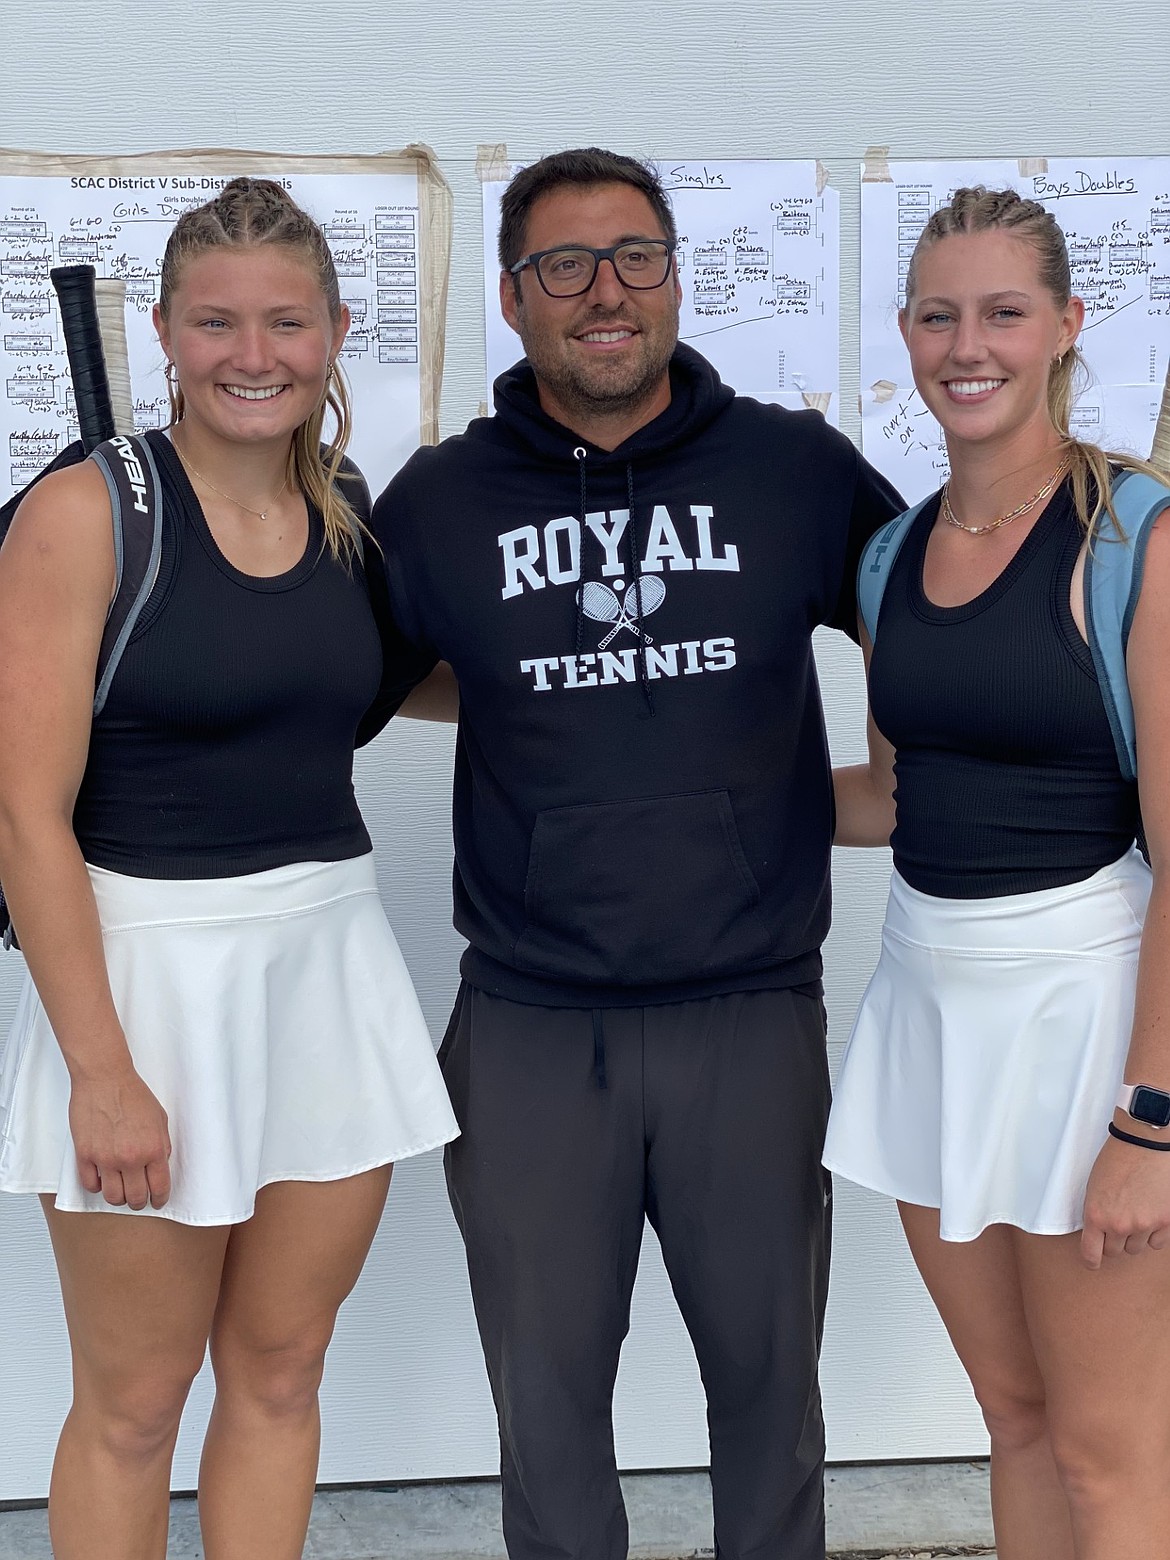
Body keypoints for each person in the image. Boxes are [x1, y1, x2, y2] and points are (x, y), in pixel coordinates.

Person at [371, 147, 902, 1560]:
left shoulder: (790, 469)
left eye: (634, 258)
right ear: (513, 298)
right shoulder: (437, 501)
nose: (603, 292)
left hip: (750, 1011)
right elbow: (325, 685)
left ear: (673, 277)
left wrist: (861, 793)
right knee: (543, 1415)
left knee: (770, 1396)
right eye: (563, 266)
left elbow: (941, 626)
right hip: (535, 1023)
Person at [0, 177, 458, 1560]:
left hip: (327, 969)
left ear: (330, 333)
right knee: (135, 1408)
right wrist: (103, 1069)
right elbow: (27, 819)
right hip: (143, 982)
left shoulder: (348, 515)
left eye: (284, 323)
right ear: (161, 332)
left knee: (278, 1377)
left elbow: (412, 683)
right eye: (216, 324)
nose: (251, 356)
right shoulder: (88, 514)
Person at [824, 186, 1170, 1558]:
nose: (966, 346)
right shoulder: (891, 553)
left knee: (1109, 1453)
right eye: (937, 315)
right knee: (1013, 1417)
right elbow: (894, 796)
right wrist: (667, 793)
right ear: (905, 333)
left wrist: (1149, 1121)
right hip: (931, 1011)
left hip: (1084, 1025)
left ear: (1065, 326)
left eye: (1002, 313)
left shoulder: (1130, 536)